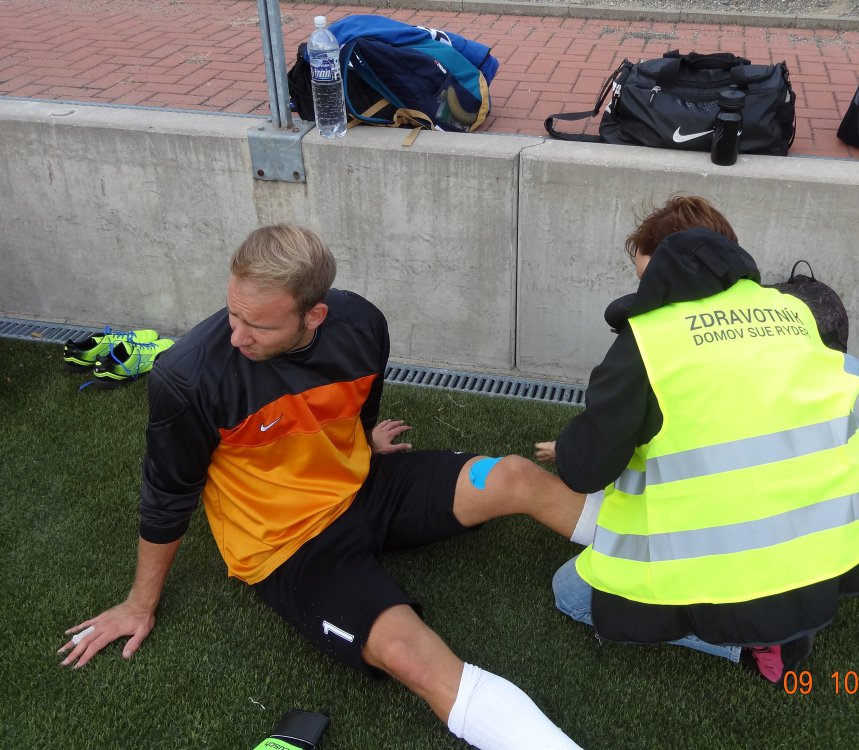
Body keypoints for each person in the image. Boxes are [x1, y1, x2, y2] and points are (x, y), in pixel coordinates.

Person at [58, 224, 586, 750]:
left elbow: (360, 401)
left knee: (513, 475)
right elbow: (166, 496)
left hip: (364, 487)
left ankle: (634, 562)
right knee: (411, 656)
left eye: (258, 325)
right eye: (233, 313)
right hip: (288, 545)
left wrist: (362, 441)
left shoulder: (362, 324)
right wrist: (139, 603)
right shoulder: (187, 376)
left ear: (314, 315)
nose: (237, 336)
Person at [535, 195, 859, 684]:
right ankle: (782, 614)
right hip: (833, 541)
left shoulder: (648, 339)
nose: (645, 290)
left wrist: (574, 447)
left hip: (724, 558)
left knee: (570, 594)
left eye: (647, 275)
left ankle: (748, 642)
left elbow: (586, 468)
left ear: (669, 264)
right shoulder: (791, 309)